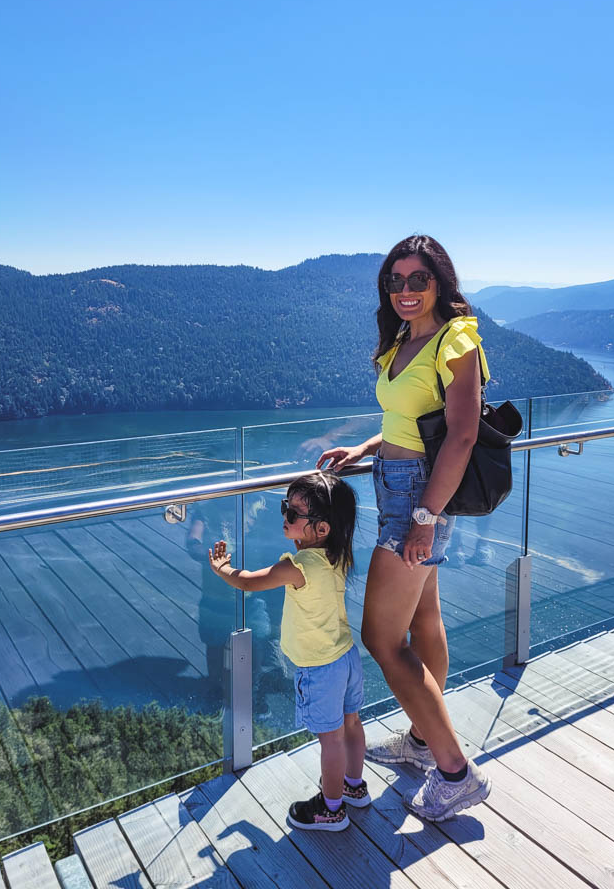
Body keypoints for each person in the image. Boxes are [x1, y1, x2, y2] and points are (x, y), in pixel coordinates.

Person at [317, 234, 492, 822]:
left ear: (439, 281)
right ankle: (422, 745)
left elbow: (462, 434)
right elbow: (409, 419)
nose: (406, 291)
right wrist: (363, 447)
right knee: (422, 620)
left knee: (380, 639)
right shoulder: (402, 340)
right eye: (396, 282)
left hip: (418, 498)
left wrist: (424, 517)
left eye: (418, 279)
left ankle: (455, 772)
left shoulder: (455, 339)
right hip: (396, 482)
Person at [208, 470, 369, 831]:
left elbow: (249, 582)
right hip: (346, 657)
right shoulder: (336, 555)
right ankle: (354, 787)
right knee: (351, 724)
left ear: (322, 528)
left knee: (331, 741)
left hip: (319, 667)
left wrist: (223, 570)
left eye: (293, 513)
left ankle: (331, 810)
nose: (284, 516)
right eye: (286, 507)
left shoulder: (296, 567)